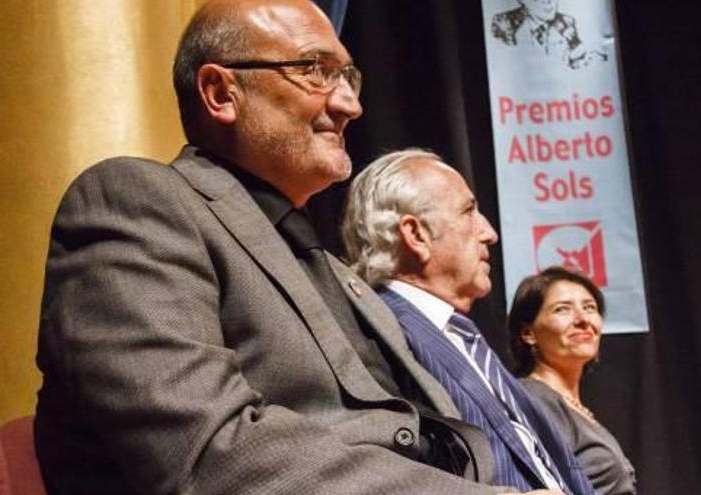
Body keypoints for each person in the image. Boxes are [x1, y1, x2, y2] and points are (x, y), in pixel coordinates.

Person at [33, 1, 542, 494]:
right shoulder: (135, 200)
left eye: (348, 76)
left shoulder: (327, 265)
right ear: (220, 92)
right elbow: (211, 452)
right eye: (315, 70)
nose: (349, 104)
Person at [341, 149, 596, 495]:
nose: (489, 232)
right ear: (416, 235)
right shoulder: (383, 332)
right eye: (468, 211)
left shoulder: (459, 332)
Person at [508, 266, 637, 495]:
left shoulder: (576, 408)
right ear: (528, 333)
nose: (582, 319)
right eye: (562, 309)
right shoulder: (533, 398)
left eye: (590, 308)